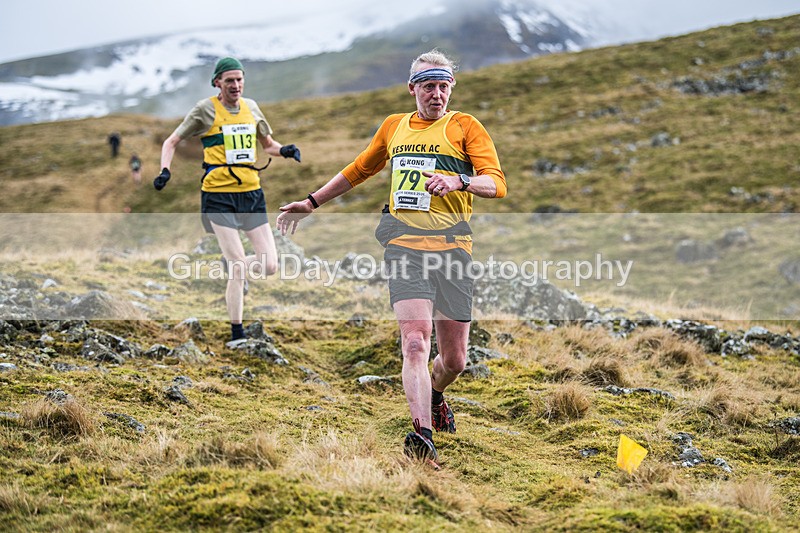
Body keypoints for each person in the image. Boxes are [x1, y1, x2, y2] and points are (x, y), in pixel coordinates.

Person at [277, 49, 506, 466]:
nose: (436, 95)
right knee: (415, 342)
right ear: (412, 88)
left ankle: (436, 394)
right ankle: (422, 436)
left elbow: (497, 184)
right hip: (404, 245)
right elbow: (359, 169)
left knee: (455, 360)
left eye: (443, 86)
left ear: (450, 87)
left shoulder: (466, 127)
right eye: (428, 86)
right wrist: (312, 202)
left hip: (454, 248)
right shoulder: (394, 127)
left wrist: (460, 181)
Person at [154, 56, 302, 342]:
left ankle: (231, 266)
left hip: (251, 194)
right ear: (217, 83)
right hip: (218, 195)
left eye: (239, 79)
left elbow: (267, 144)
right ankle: (237, 332)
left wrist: (285, 150)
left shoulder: (252, 108)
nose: (235, 85)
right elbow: (171, 141)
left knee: (269, 264)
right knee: (237, 265)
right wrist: (164, 171)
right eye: (229, 80)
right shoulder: (204, 110)